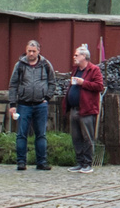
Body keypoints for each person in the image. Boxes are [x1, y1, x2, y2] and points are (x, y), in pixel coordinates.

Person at [8, 39, 56, 170]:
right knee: (21, 134)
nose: (31, 53)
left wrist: (47, 97)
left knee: (41, 134)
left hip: (41, 104)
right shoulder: (20, 65)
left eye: (33, 51)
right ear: (26, 50)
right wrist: (12, 104)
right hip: (24, 104)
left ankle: (41, 162)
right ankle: (21, 162)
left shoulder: (46, 65)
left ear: (38, 51)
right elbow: (13, 85)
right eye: (29, 51)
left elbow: (52, 82)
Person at [67, 44, 105, 173]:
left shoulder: (94, 70)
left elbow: (99, 86)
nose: (74, 57)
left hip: (87, 109)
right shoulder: (76, 70)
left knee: (87, 137)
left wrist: (83, 83)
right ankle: (79, 162)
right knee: (76, 137)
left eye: (76, 55)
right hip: (74, 108)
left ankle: (88, 163)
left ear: (84, 56)